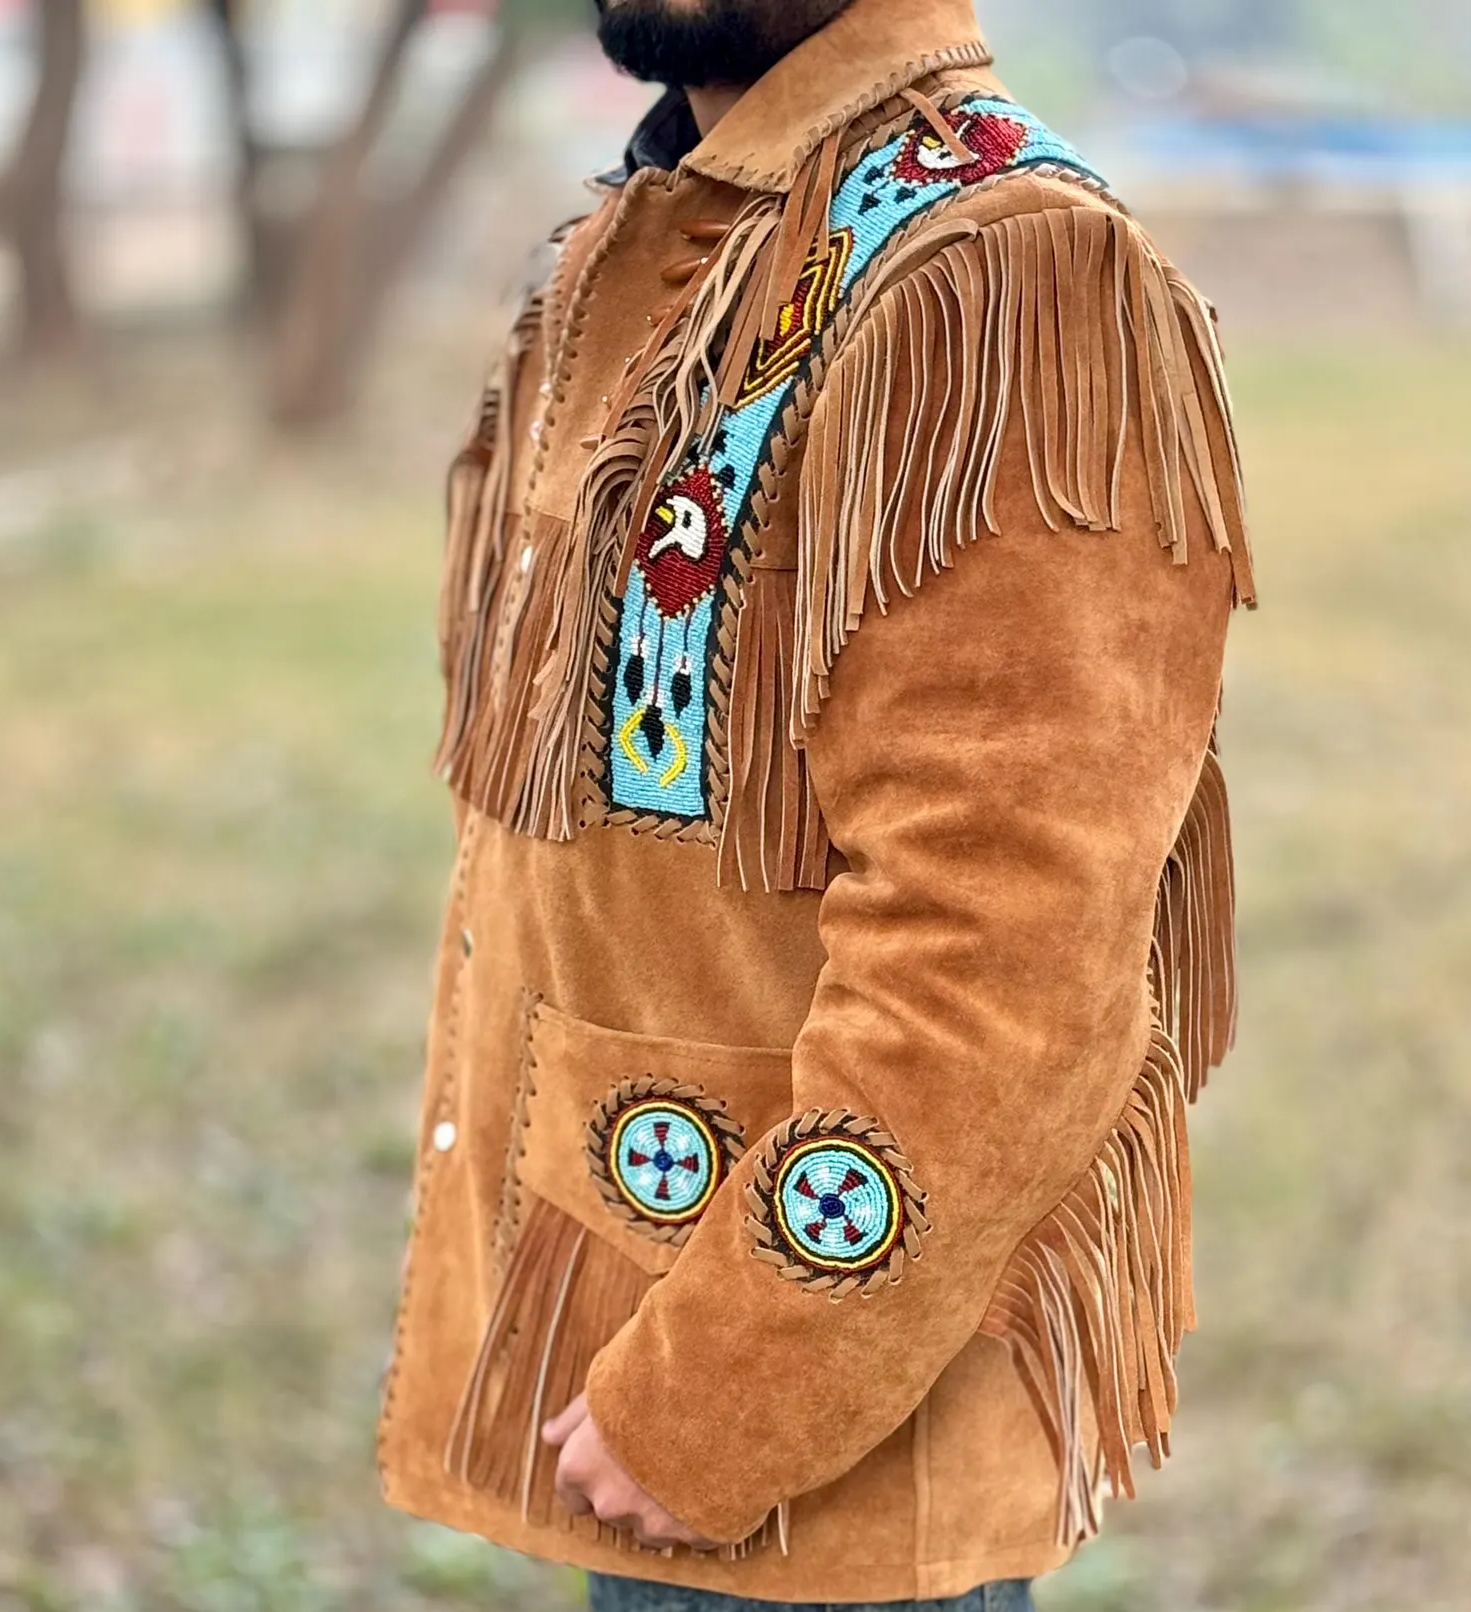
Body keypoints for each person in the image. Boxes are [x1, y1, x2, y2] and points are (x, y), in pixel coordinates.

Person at [378, 1, 1256, 1609]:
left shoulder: (1003, 274)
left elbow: (1011, 962)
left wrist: (719, 1395)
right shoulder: (674, 223)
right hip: (631, 1331)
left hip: (801, 1434)